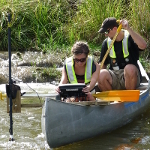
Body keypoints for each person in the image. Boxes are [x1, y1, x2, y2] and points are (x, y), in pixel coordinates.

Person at [98, 17, 147, 91]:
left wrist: (129, 29)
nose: (105, 35)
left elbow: (143, 46)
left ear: (115, 29)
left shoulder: (130, 37)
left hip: (131, 77)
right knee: (101, 74)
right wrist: (96, 79)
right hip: (114, 76)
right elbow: (102, 64)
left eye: (106, 32)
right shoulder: (106, 43)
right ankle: (112, 100)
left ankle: (130, 99)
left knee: (129, 68)